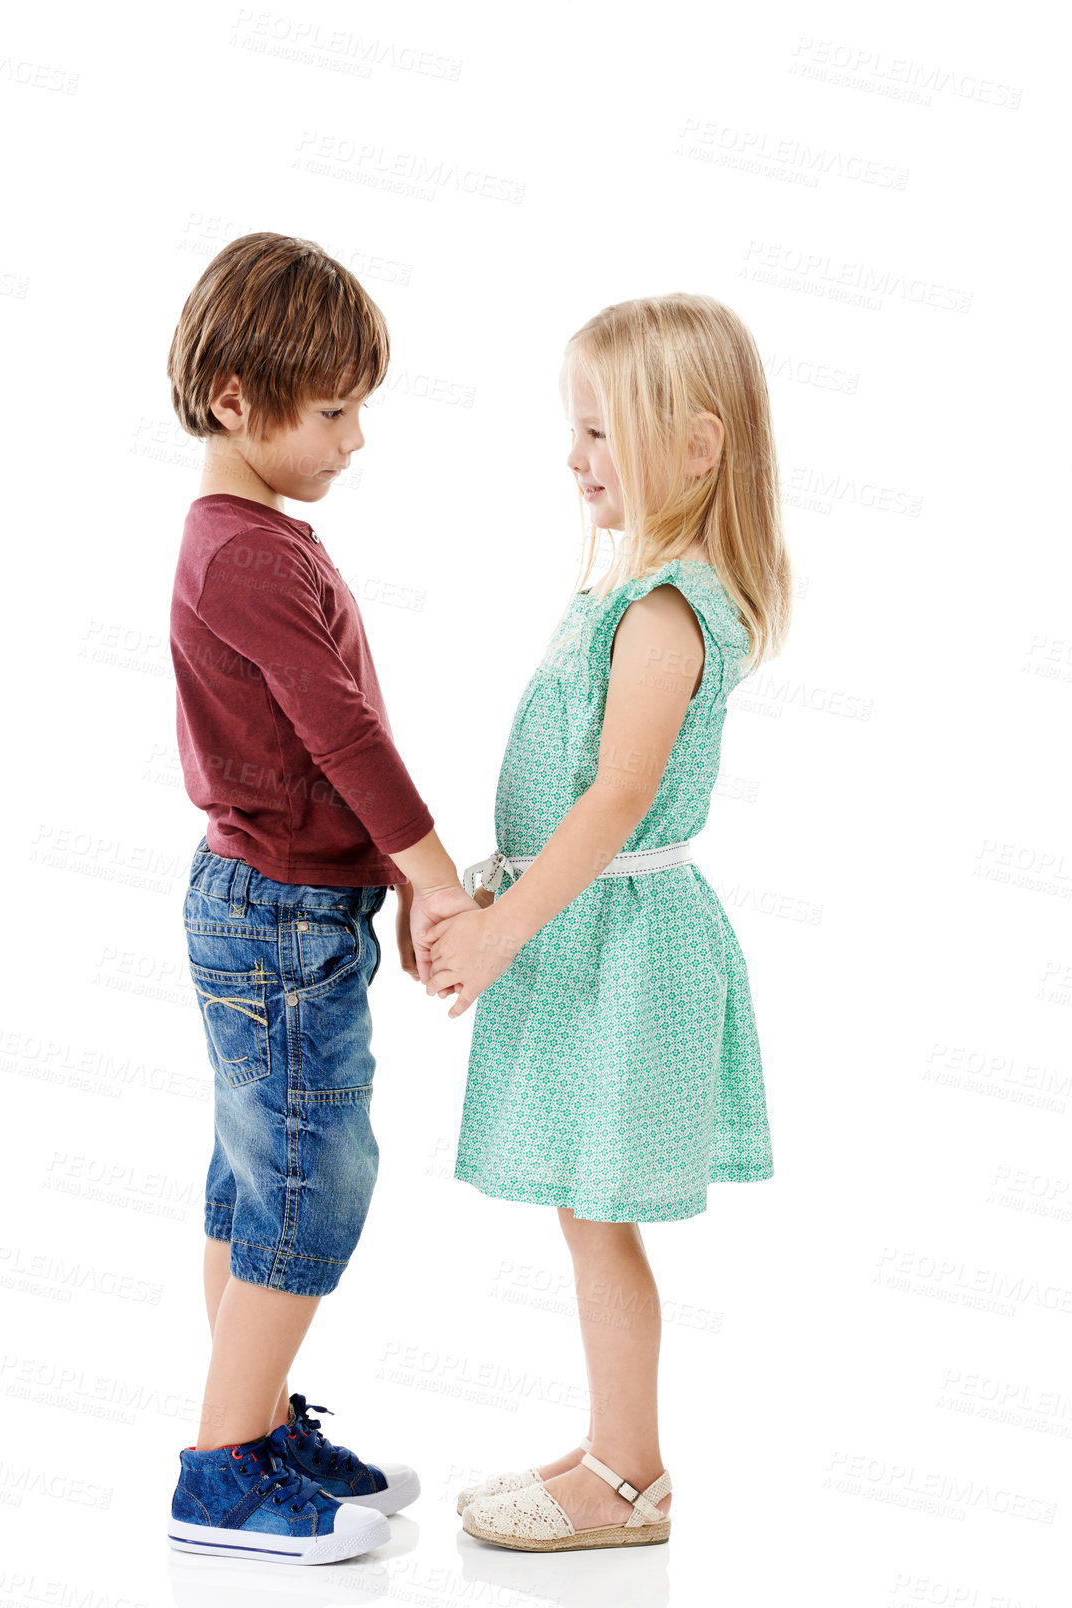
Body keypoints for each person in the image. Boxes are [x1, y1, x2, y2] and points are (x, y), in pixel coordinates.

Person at [425, 293, 791, 1553]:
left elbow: (619, 797)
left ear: (697, 447)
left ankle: (628, 1479)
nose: (573, 459)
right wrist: (500, 885)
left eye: (599, 434)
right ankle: (609, 1449)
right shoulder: (628, 590)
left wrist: (502, 927)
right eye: (571, 431)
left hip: (621, 952)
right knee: (588, 1213)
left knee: (598, 1215)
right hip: (596, 938)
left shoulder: (664, 612)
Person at [163, 233, 476, 1563]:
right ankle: (222, 1470)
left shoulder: (255, 540)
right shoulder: (246, 556)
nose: (354, 438)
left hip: (289, 900)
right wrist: (438, 878)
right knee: (309, 1170)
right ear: (237, 397)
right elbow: (341, 732)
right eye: (333, 409)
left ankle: (260, 1419)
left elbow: (330, 734)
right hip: (277, 914)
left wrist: (385, 877)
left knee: (258, 1169)